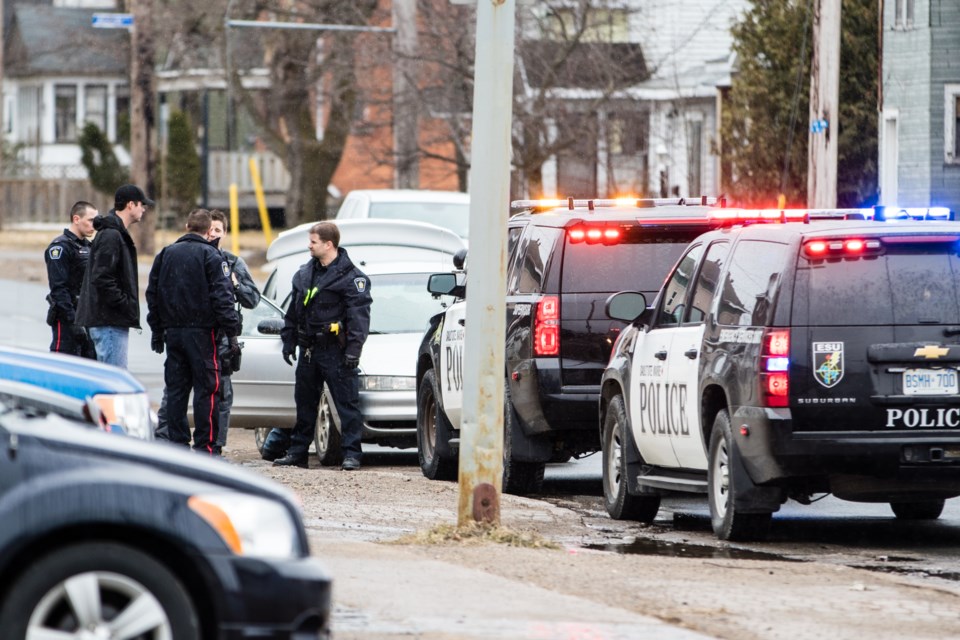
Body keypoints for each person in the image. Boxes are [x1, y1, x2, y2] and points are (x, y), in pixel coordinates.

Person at [273, 221, 372, 470]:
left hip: (335, 351)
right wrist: (288, 340)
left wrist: (352, 352)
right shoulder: (306, 273)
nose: (309, 246)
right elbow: (293, 311)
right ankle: (298, 453)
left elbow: (358, 320)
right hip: (308, 349)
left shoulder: (351, 278)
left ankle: (352, 454)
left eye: (313, 242)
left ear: (328, 244)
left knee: (346, 404)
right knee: (305, 403)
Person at [146, 209, 240, 455]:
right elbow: (223, 298)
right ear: (209, 231)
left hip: (173, 333)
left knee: (176, 390)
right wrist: (232, 334)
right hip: (202, 333)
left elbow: (152, 295)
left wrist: (157, 330)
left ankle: (177, 443)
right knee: (207, 390)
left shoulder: (166, 254)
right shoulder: (211, 256)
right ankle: (205, 446)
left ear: (187, 225)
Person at [76, 184, 153, 368]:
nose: (144, 208)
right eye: (142, 204)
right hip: (108, 321)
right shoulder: (111, 235)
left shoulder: (115, 232)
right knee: (114, 382)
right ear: (130, 205)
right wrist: (124, 304)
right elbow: (102, 277)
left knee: (110, 380)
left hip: (109, 320)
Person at [45, 201, 98, 359]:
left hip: (88, 315)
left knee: (90, 365)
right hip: (68, 317)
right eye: (90, 220)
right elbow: (59, 288)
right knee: (65, 362)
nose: (94, 225)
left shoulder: (88, 246)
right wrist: (73, 321)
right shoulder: (60, 247)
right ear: (76, 219)